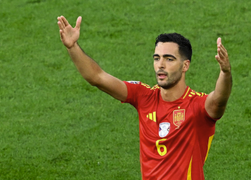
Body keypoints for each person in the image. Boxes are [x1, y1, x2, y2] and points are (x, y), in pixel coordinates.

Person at [57, 15, 232, 180]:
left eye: (169, 59)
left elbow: (218, 100)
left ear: (185, 65)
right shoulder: (143, 96)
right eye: (157, 58)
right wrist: (73, 47)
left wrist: (225, 73)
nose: (160, 65)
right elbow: (97, 77)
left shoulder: (197, 106)